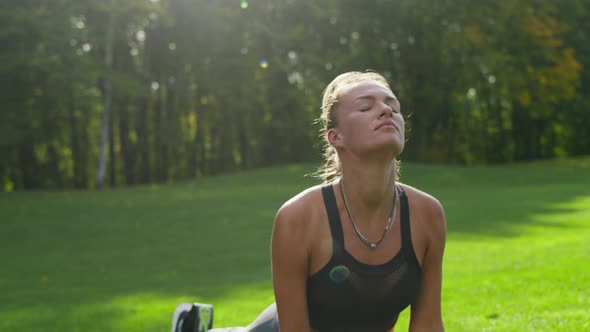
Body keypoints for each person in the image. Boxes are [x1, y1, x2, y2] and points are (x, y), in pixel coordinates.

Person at [176, 71, 446, 332]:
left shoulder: (427, 214)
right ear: (335, 137)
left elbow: (429, 325)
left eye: (394, 107)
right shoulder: (298, 217)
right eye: (365, 108)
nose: (387, 111)